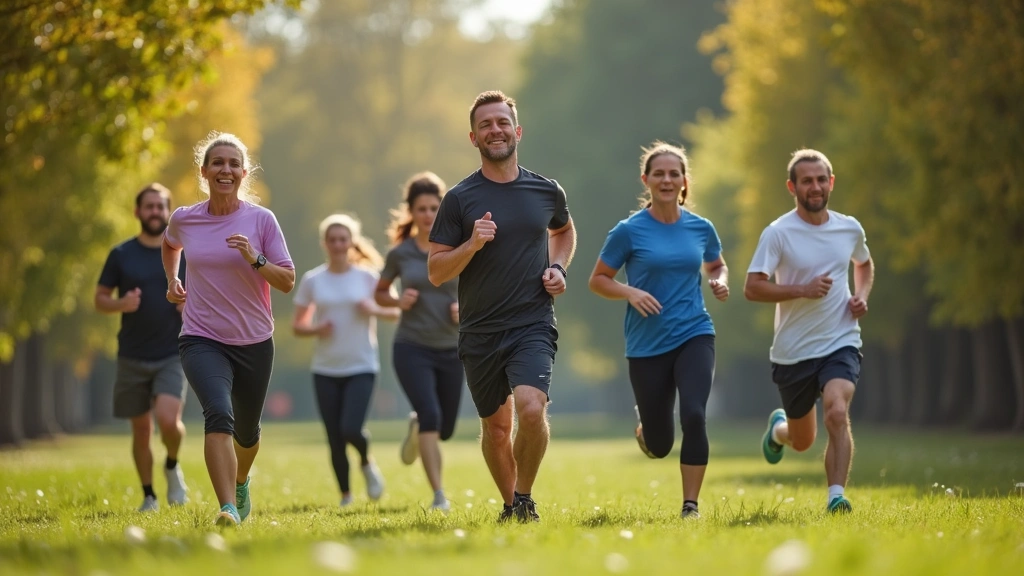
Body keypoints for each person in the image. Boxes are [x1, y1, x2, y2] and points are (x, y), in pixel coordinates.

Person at [427, 90, 576, 523]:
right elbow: (436, 270)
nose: (496, 130)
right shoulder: (459, 199)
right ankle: (511, 505)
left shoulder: (546, 190)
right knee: (495, 428)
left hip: (532, 321)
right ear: (473, 137)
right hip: (480, 330)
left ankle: (524, 497)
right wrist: (472, 244)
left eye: (502, 122)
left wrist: (559, 268)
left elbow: (564, 232)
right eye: (486, 125)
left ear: (518, 130)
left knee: (531, 408)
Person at [588, 142, 728, 519]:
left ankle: (690, 506)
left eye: (674, 173)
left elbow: (716, 264)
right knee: (660, 443)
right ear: (646, 180)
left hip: (695, 333)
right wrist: (630, 292)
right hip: (646, 345)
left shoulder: (701, 228)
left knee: (695, 415)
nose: (667, 180)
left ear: (684, 181)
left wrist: (719, 280)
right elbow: (598, 280)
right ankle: (646, 430)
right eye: (659, 174)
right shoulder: (629, 231)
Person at [162, 132, 295, 526]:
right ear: (204, 171)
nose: (226, 170)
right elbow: (171, 246)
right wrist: (172, 280)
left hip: (254, 340)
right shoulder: (185, 218)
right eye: (217, 163)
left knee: (248, 433)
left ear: (244, 172)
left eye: (233, 164)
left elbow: (287, 280)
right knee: (218, 414)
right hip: (201, 337)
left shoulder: (261, 220)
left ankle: (240, 480)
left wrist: (254, 259)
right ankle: (228, 508)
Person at [743, 149, 874, 515]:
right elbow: (752, 288)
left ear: (831, 183)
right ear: (792, 187)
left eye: (821, 179)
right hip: (793, 351)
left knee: (836, 411)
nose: (814, 187)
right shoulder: (778, 233)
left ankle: (836, 497)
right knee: (802, 441)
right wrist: (802, 289)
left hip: (841, 340)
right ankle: (779, 430)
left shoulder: (849, 227)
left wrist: (860, 295)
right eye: (806, 181)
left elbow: (863, 263)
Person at [96, 183, 190, 513]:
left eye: (160, 206)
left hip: (172, 352)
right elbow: (100, 299)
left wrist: (187, 306)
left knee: (168, 421)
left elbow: (204, 296)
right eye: (148, 206)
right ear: (137, 212)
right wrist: (120, 303)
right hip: (132, 354)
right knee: (140, 429)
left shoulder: (183, 254)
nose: (154, 212)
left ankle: (172, 464)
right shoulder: (121, 254)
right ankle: (149, 495)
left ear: (168, 211)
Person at [375, 172, 463, 513]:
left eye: (433, 207)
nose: (428, 214)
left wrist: (464, 309)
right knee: (430, 414)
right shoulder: (401, 254)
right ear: (411, 211)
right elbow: (379, 294)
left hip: (453, 348)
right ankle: (439, 495)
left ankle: (418, 428)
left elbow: (479, 291)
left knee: (446, 427)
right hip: (411, 347)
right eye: (421, 208)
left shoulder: (458, 247)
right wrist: (397, 302)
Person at [293, 214, 395, 507]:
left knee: (351, 428)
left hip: (362, 365)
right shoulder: (313, 279)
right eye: (333, 240)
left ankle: (366, 461)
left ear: (351, 242)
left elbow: (396, 311)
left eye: (343, 239)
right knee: (334, 436)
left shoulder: (367, 277)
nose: (338, 245)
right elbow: (298, 326)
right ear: (325, 243)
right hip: (325, 368)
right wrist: (316, 328)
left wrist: (372, 308)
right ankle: (346, 496)